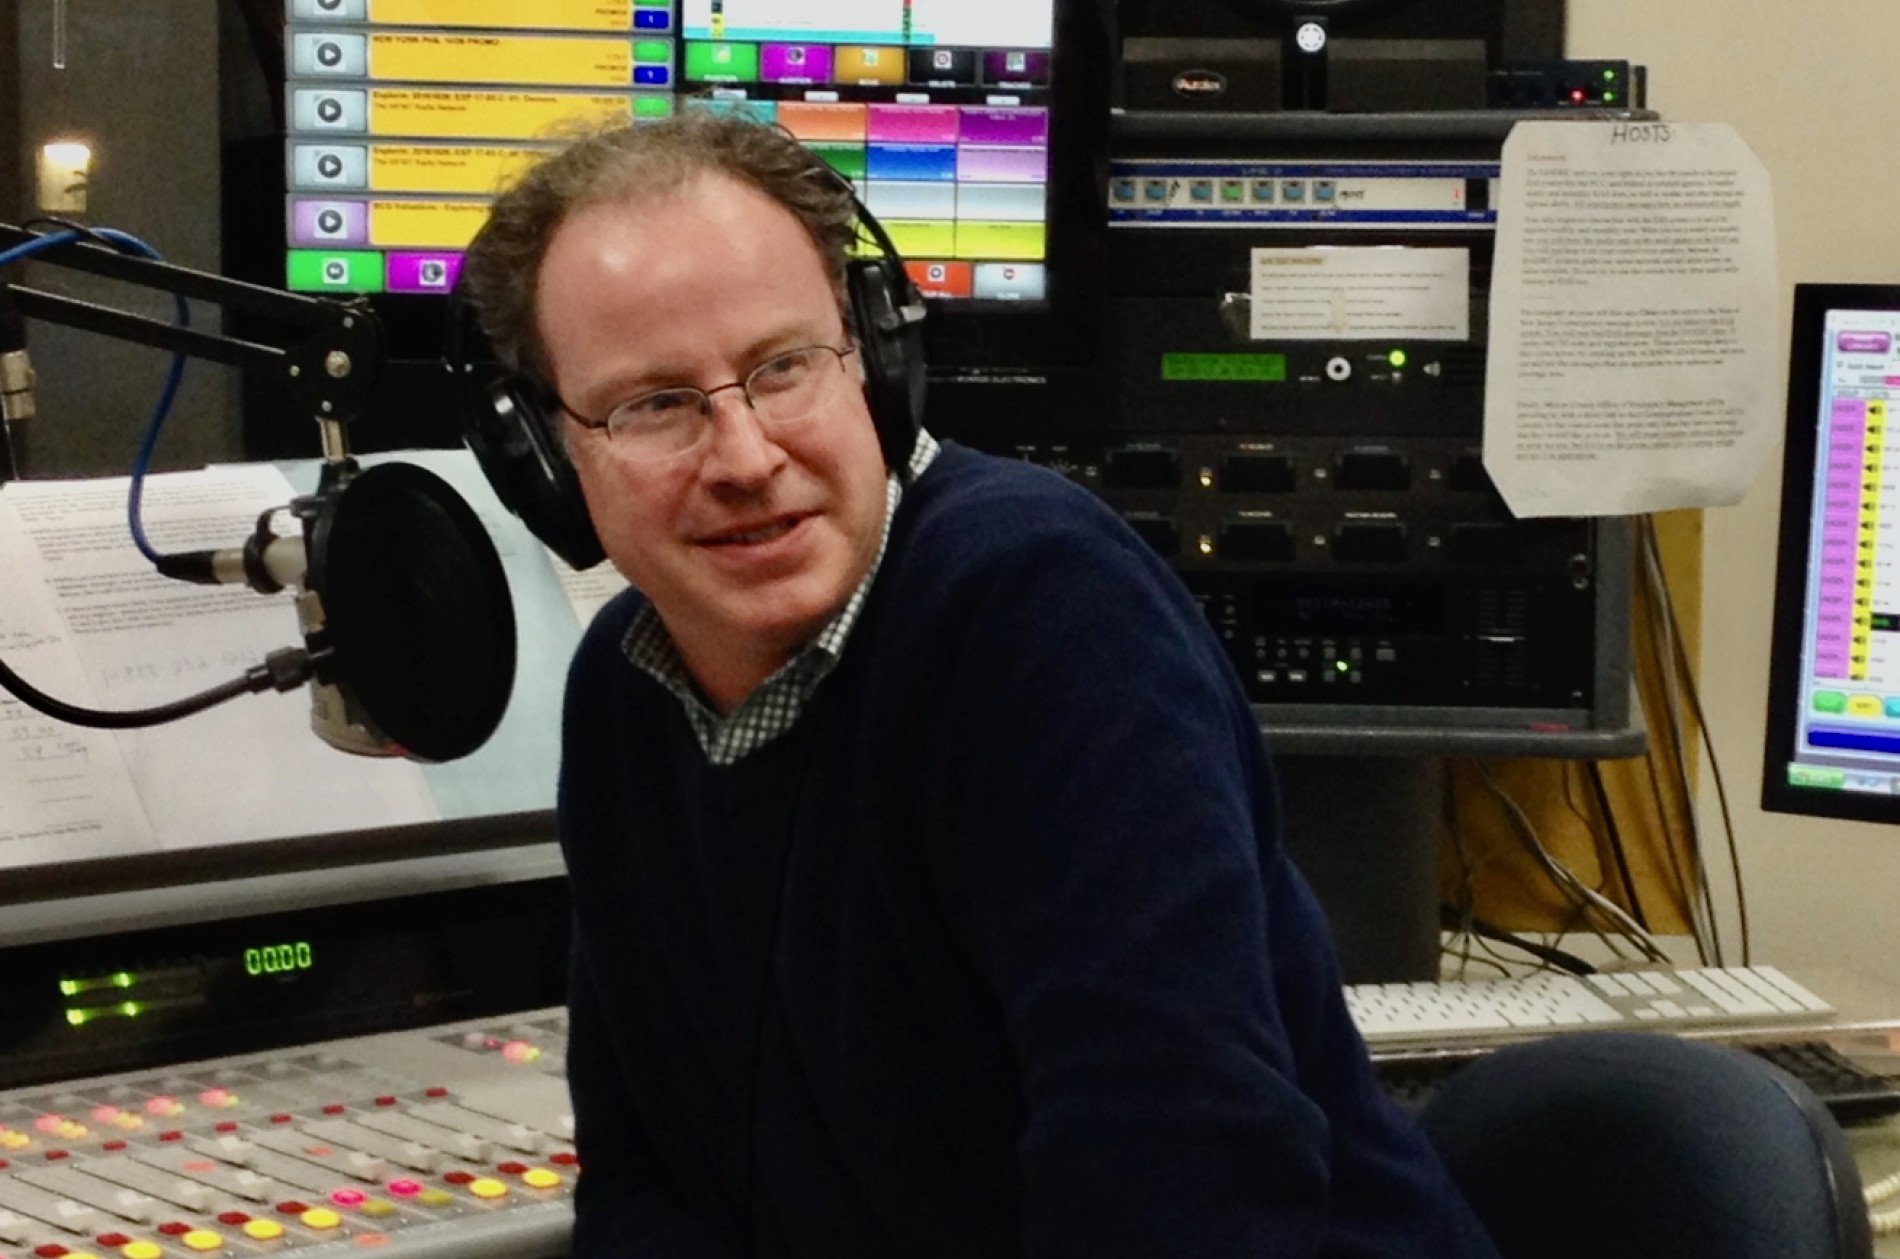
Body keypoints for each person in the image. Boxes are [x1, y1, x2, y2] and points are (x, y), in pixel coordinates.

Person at [460, 111, 1500, 1259]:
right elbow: (648, 1184)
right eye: (656, 403)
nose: (747, 456)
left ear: (875, 360)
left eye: (783, 367)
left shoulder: (1040, 610)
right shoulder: (622, 699)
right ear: (547, 463)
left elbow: (1180, 1181)